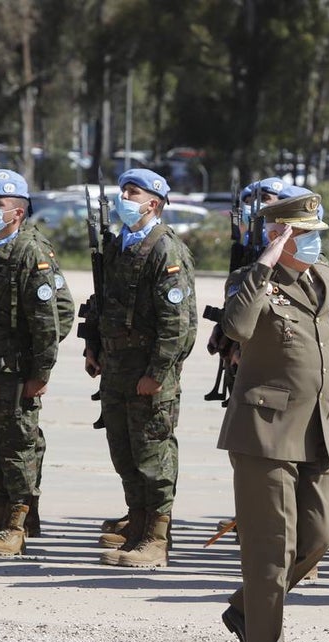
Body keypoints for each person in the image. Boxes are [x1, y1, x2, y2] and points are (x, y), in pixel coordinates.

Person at [217, 192, 329, 642]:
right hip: (265, 432)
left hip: (316, 427)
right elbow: (237, 327)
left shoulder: (325, 276)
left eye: (315, 233)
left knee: (318, 537)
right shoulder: (251, 281)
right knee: (271, 549)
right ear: (277, 235)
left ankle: (244, 609)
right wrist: (265, 262)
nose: (313, 243)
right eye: (302, 234)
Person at [83, 168, 197, 567]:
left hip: (148, 372)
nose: (124, 199)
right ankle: (137, 526)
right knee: (125, 453)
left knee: (153, 455)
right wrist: (94, 347)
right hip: (117, 367)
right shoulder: (118, 245)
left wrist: (158, 373)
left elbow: (178, 323)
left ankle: (156, 537)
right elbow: (103, 303)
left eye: (132, 192)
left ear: (154, 203)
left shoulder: (165, 249)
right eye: (123, 191)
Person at [0, 172, 73, 555]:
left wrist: (40, 370)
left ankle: (16, 525)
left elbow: (50, 319)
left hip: (15, 371)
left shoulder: (30, 253)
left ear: (18, 212)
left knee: (17, 447)